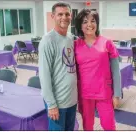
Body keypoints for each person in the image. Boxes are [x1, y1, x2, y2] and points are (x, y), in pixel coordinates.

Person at [74, 9, 122, 130]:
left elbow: (116, 71)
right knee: (87, 126)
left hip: (104, 92)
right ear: (80, 25)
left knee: (108, 125)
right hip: (84, 93)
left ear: (97, 23)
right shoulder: (75, 44)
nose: (89, 24)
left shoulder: (107, 43)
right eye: (85, 21)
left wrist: (116, 95)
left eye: (93, 21)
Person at [38, 2, 77, 131]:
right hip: (57, 103)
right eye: (60, 14)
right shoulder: (47, 41)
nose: (64, 17)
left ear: (71, 16)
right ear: (53, 16)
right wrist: (51, 104)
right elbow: (44, 76)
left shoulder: (71, 38)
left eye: (67, 14)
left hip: (71, 100)